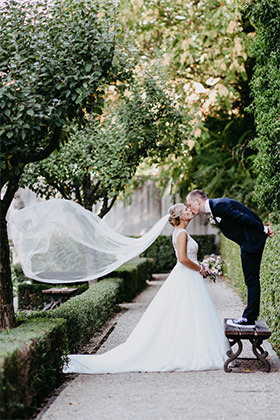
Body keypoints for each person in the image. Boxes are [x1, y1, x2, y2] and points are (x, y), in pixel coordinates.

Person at [63, 203, 229, 374]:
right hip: (187, 274)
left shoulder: (181, 233)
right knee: (188, 312)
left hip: (189, 276)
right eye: (186, 210)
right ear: (180, 216)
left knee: (190, 313)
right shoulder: (182, 234)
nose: (189, 211)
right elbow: (182, 259)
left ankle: (192, 346)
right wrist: (201, 269)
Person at [186, 190, 274, 329]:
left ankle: (249, 319)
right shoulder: (216, 207)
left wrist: (263, 228)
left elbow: (243, 217)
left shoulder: (219, 205)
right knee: (252, 280)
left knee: (251, 280)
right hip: (248, 242)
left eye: (189, 205)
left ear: (198, 201)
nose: (189, 208)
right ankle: (251, 316)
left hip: (251, 243)